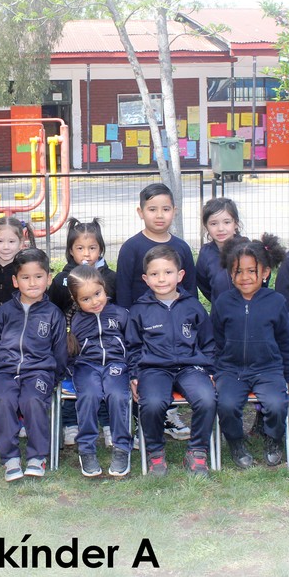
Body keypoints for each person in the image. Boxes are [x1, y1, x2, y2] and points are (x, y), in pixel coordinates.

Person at [115, 183, 197, 442]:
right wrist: (127, 324)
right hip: (142, 327)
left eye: (165, 209)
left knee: (174, 366)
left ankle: (170, 416)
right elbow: (123, 289)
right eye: (152, 209)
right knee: (145, 372)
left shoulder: (182, 248)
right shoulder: (131, 247)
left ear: (175, 211)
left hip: (175, 326)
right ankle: (142, 421)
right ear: (140, 212)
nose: (159, 215)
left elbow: (190, 290)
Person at [125, 245, 216, 477]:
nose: (162, 279)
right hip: (153, 369)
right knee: (152, 403)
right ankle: (155, 452)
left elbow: (208, 342)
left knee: (207, 399)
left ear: (180, 275)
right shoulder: (139, 310)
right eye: (154, 274)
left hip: (190, 367)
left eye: (168, 272)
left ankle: (197, 451)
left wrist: (211, 370)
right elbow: (133, 347)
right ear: (146, 279)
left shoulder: (193, 306)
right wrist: (134, 375)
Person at [211, 235, 289, 469]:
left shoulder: (276, 302)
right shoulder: (223, 302)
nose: (245, 277)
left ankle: (274, 439)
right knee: (227, 405)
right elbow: (215, 339)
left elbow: (286, 341)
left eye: (251, 271)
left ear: (265, 272)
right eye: (238, 271)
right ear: (230, 273)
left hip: (268, 369)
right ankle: (236, 442)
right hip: (231, 370)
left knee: (277, 404)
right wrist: (215, 369)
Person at [0, 248, 67, 482]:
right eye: (25, 277)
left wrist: (53, 378)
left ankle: (37, 457)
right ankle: (10, 458)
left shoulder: (53, 314)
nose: (32, 283)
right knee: (4, 400)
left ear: (48, 278)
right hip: (6, 371)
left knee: (32, 400)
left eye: (38, 276)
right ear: (15, 281)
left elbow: (60, 351)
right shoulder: (4, 312)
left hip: (40, 372)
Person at [47, 217, 116, 448]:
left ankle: (107, 424)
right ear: (70, 250)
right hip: (72, 345)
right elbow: (54, 309)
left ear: (101, 249)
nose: (86, 253)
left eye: (92, 248)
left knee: (104, 381)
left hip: (103, 344)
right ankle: (70, 424)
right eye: (80, 248)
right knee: (70, 380)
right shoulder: (61, 280)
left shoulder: (110, 278)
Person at [67, 265, 132, 477]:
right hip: (86, 366)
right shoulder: (75, 322)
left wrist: (133, 371)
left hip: (116, 366)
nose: (95, 301)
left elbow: (133, 345)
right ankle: (86, 449)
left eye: (97, 294)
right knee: (89, 395)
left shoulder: (121, 314)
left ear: (104, 287)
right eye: (86, 299)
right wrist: (70, 370)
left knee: (117, 395)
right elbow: (68, 353)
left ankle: (122, 447)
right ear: (76, 300)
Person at [0, 216, 36, 324]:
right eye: (0, 241)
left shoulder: (26, 268)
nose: (6, 247)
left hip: (21, 328)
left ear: (21, 242)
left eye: (11, 241)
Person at [195, 197, 244, 303]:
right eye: (213, 224)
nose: (220, 229)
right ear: (206, 226)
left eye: (227, 222)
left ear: (235, 223)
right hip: (220, 311)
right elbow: (203, 284)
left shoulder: (248, 249)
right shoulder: (206, 253)